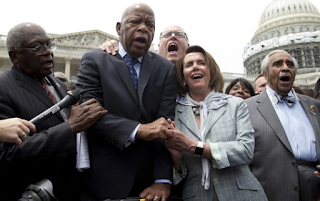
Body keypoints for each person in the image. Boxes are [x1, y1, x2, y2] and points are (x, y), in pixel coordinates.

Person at [76, 3, 177, 201]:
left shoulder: (165, 69)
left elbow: (166, 125)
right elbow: (88, 116)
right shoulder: (95, 60)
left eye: (150, 24)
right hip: (101, 180)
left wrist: (163, 180)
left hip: (148, 184)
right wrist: (139, 130)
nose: (143, 28)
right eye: (135, 21)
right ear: (119, 28)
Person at [0, 22, 107, 201]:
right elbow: (6, 155)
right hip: (30, 193)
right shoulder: (3, 87)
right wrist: (69, 128)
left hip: (68, 190)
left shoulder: (55, 83)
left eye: (49, 45)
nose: (48, 52)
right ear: (14, 56)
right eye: (37, 47)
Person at [164, 45, 267, 201]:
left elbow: (246, 151)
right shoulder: (174, 114)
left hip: (243, 195)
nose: (195, 67)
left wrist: (194, 146)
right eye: (189, 65)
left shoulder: (235, 105)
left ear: (210, 71)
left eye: (201, 63)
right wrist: (177, 159)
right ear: (182, 77)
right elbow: (177, 177)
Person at [245, 50, 320, 201]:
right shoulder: (247, 107)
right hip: (271, 191)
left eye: (290, 64)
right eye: (278, 64)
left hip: (315, 188)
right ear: (265, 75)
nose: (285, 68)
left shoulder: (314, 106)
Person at [100, 25, 189, 64]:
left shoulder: (198, 75)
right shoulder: (141, 66)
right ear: (158, 47)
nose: (173, 36)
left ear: (188, 47)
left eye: (179, 34)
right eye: (167, 35)